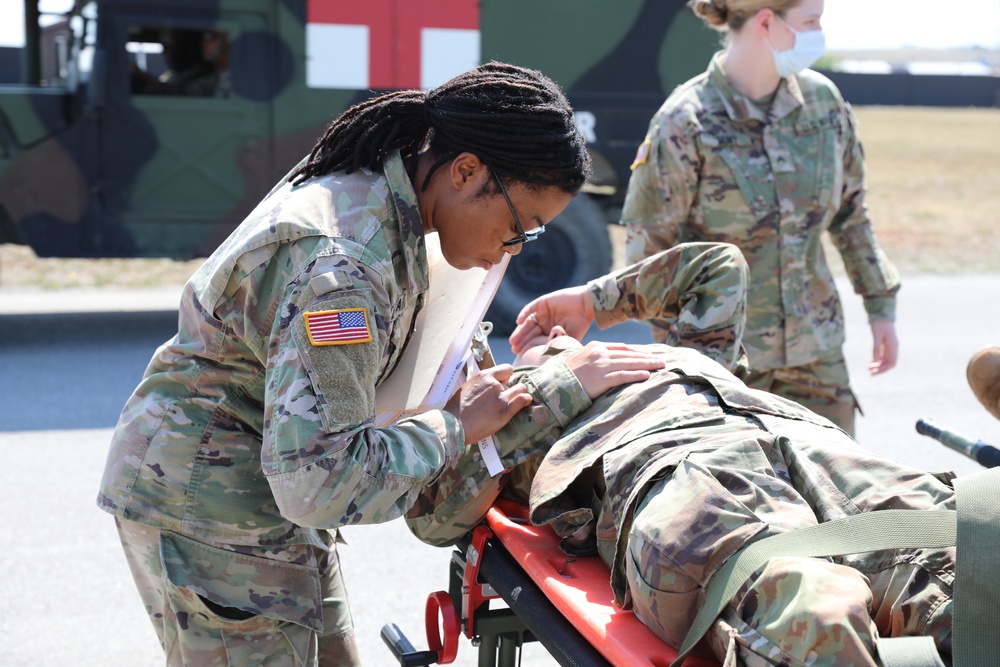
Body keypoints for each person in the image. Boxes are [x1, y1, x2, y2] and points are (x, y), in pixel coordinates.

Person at [97, 62, 667, 666]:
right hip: (209, 510)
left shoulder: (392, 195)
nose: (512, 250)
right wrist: (456, 427)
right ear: (466, 171)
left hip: (265, 490)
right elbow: (320, 480)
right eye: (518, 228)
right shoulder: (340, 268)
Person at [407, 244, 955, 667]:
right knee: (809, 612)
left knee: (971, 569)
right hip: (678, 476)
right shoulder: (495, 409)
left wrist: (590, 302)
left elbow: (719, 265)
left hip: (809, 447)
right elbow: (434, 516)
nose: (547, 336)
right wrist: (562, 385)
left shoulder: (679, 353)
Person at [620, 0, 901, 436]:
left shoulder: (823, 103)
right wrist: (685, 361)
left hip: (816, 352)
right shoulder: (685, 120)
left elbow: (850, 214)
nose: (819, 32)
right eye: (811, 21)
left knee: (844, 493)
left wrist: (880, 306)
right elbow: (649, 255)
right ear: (767, 21)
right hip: (726, 367)